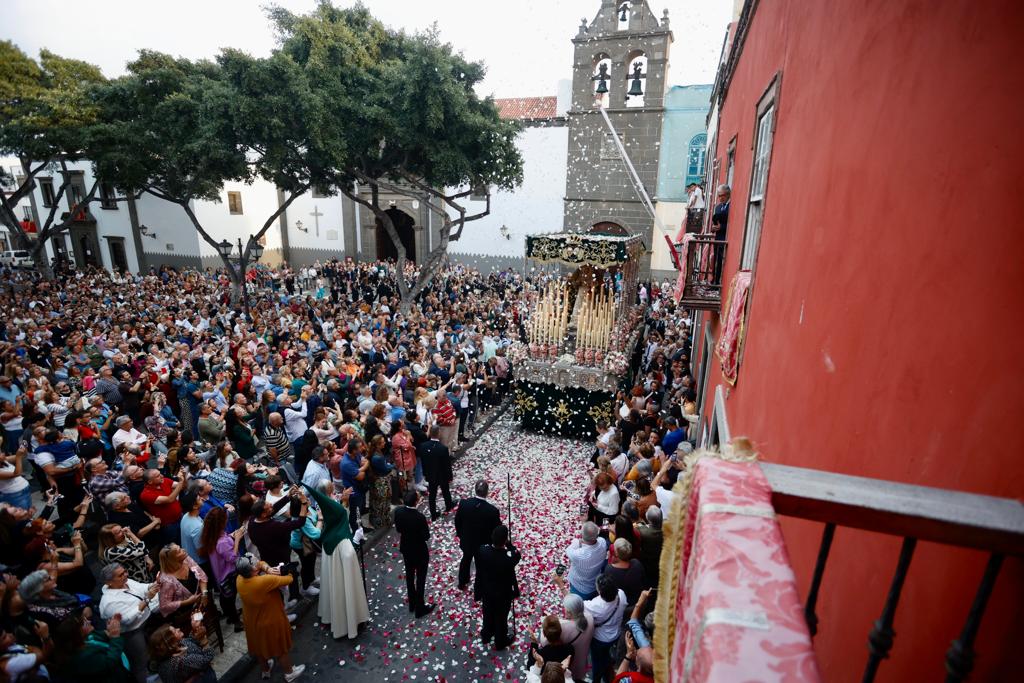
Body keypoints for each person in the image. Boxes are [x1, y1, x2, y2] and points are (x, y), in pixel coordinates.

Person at [302, 480, 369, 639]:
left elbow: (337, 513)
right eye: (332, 491)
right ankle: (350, 620)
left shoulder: (328, 533)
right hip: (344, 545)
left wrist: (343, 503)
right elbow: (349, 555)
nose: (335, 494)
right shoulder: (342, 540)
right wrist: (356, 539)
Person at [235, 554, 306, 682]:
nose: (258, 561)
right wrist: (285, 570)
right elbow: (289, 579)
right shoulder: (264, 581)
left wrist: (267, 568)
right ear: (254, 569)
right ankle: (289, 673)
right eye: (255, 561)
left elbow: (261, 562)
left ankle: (265, 670)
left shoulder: (239, 579)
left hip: (252, 621)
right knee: (280, 649)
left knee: (259, 648)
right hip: (269, 620)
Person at [98, 563, 160, 683]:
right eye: (120, 575)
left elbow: (141, 587)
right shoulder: (109, 602)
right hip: (132, 633)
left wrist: (154, 584)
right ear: (109, 582)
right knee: (140, 662)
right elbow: (128, 619)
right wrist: (147, 598)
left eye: (125, 571)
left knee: (150, 652)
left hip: (145, 624)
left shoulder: (125, 582)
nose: (126, 575)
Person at [50, 607, 131, 683]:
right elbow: (109, 663)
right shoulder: (82, 659)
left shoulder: (87, 637)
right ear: (77, 635)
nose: (89, 621)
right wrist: (115, 637)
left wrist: (109, 631)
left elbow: (100, 635)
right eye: (84, 623)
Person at [198, 506, 245, 631]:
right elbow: (233, 558)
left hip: (220, 575)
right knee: (230, 598)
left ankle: (230, 615)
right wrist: (237, 540)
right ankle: (236, 622)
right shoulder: (222, 542)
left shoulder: (212, 537)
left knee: (225, 597)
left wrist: (232, 536)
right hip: (229, 575)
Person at [475, 524, 520, 650]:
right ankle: (500, 641)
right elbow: (517, 555)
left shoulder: (482, 550)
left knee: (487, 613)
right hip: (502, 593)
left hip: (487, 591)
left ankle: (486, 634)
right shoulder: (508, 557)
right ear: (504, 540)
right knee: (501, 617)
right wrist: (509, 545)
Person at [392, 489, 435, 619]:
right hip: (419, 551)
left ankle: (412, 603)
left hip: (407, 549)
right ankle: (420, 607)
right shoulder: (419, 517)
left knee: (410, 576)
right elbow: (426, 536)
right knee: (420, 579)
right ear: (416, 502)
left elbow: (399, 529)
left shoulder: (398, 512)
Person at [454, 479, 500, 591]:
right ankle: (479, 589)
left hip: (467, 541)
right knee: (481, 566)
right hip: (482, 544)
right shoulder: (492, 511)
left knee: (466, 560)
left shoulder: (464, 504)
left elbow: (457, 520)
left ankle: (462, 582)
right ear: (487, 492)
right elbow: (496, 529)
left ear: (475, 490)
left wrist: (461, 534)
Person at [584, 574, 626, 683]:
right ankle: (608, 662)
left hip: (600, 639)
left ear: (600, 592)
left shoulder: (595, 605)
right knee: (606, 653)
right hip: (616, 633)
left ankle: (597, 679)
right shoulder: (621, 594)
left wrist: (561, 586)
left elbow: (577, 605)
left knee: (597, 660)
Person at [147, 622, 216, 683]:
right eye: (175, 631)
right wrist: (204, 640)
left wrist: (195, 628)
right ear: (169, 643)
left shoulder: (176, 645)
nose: (178, 629)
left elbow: (190, 640)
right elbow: (208, 656)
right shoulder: (181, 661)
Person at [417, 426, 454, 520]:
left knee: (432, 495)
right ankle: (448, 505)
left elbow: (423, 461)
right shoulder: (443, 448)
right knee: (445, 491)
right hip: (442, 475)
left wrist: (425, 473)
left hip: (430, 474)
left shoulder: (423, 446)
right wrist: (450, 476)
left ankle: (433, 513)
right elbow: (447, 465)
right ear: (438, 433)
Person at [565, 521, 608, 600]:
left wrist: (577, 542)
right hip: (595, 583)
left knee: (578, 605)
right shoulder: (603, 542)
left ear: (582, 535)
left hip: (579, 588)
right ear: (597, 534)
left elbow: (568, 550)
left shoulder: (578, 555)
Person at [602, 539, 646, 608]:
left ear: (616, 553)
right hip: (636, 601)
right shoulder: (637, 563)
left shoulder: (609, 569)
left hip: (621, 605)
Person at [709, 184, 730, 282]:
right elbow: (715, 223)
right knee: (716, 261)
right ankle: (714, 281)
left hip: (725, 239)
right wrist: (713, 228)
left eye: (722, 195)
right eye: (719, 196)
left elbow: (732, 224)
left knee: (722, 262)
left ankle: (718, 283)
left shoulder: (731, 206)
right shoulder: (717, 208)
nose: (720, 198)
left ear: (728, 194)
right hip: (717, 239)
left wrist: (722, 227)